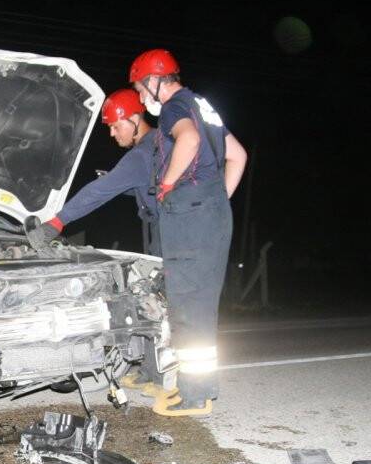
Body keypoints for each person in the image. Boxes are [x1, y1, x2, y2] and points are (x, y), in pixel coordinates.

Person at [26, 88, 175, 399]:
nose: (112, 133)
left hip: (173, 230)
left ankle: (173, 379)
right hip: (163, 226)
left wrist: (56, 223)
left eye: (116, 126)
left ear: (135, 119)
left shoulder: (141, 154)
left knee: (168, 302)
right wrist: (121, 183)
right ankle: (151, 371)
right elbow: (148, 187)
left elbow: (97, 193)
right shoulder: (156, 147)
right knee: (154, 296)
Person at [129, 48, 247, 417]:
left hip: (191, 215)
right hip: (212, 212)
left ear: (154, 81)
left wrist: (166, 184)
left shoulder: (174, 107)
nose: (141, 98)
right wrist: (216, 200)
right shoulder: (202, 105)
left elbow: (189, 140)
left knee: (187, 307)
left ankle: (194, 396)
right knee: (201, 305)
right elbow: (238, 155)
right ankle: (200, 389)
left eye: (140, 88)